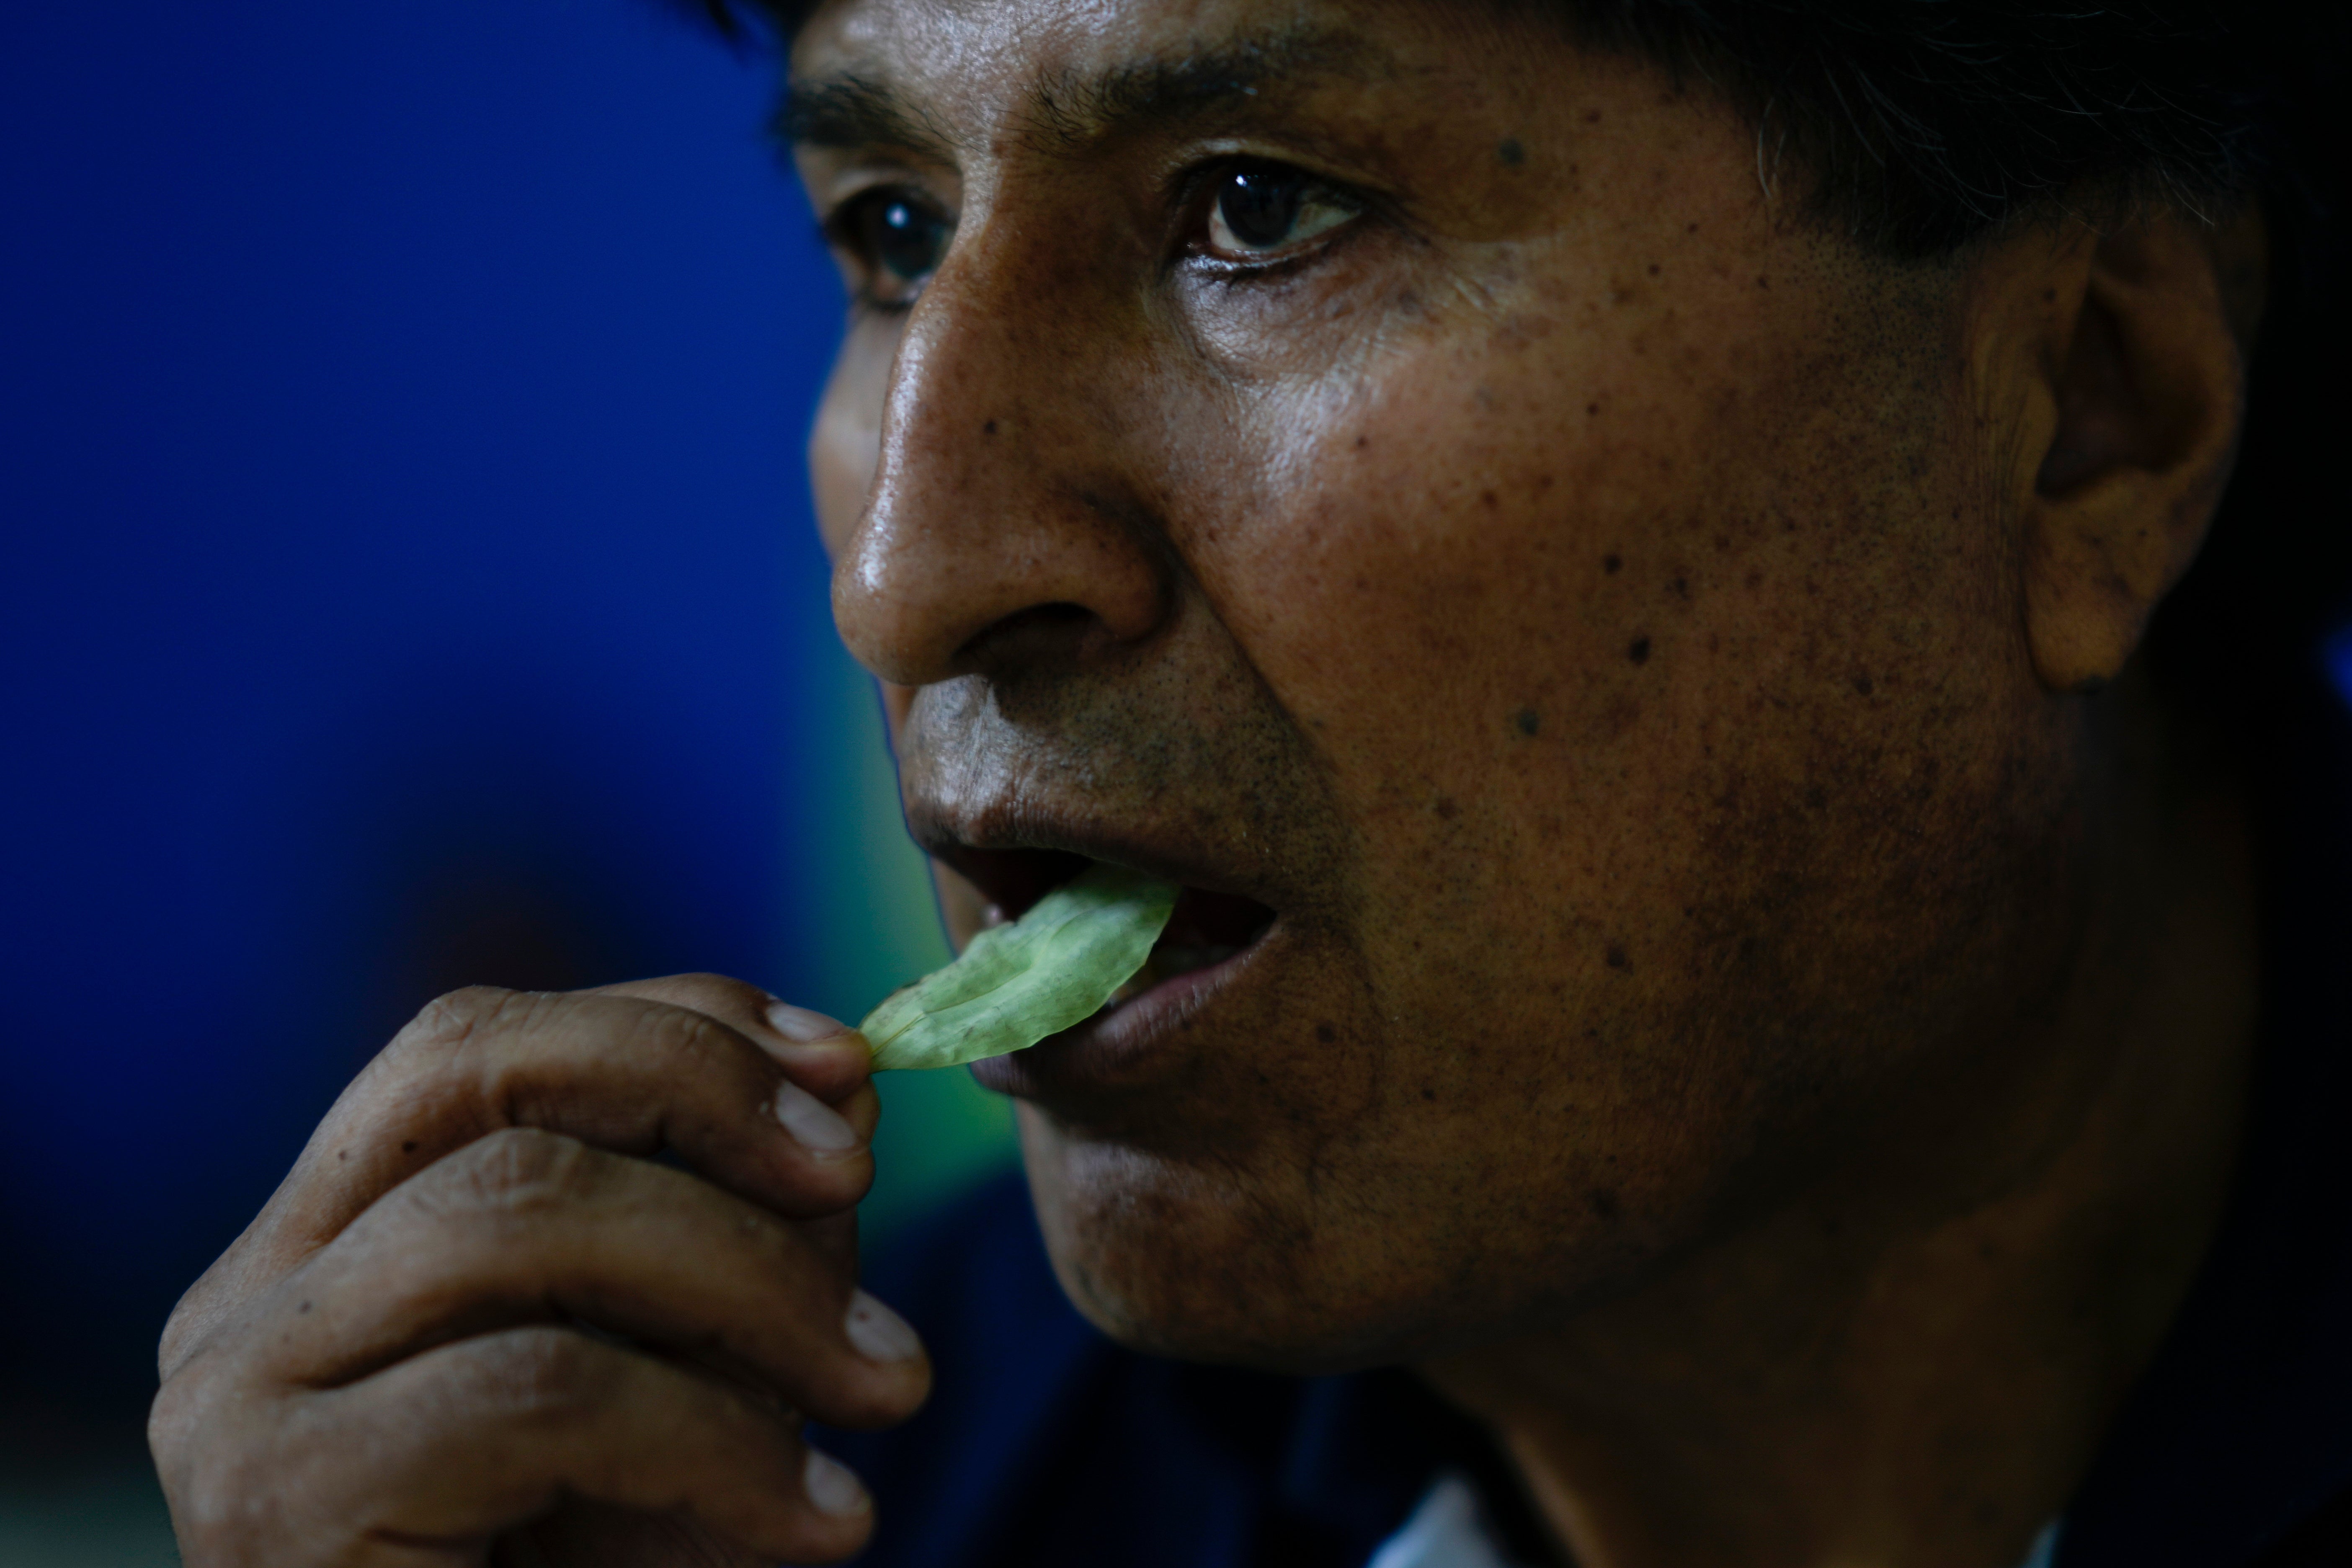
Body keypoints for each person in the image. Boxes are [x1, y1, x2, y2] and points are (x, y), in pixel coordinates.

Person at [148, 1, 2351, 1564]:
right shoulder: (797, 1503)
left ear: (2090, 422)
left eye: (1261, 209)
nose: (913, 574)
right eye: (891, 233)